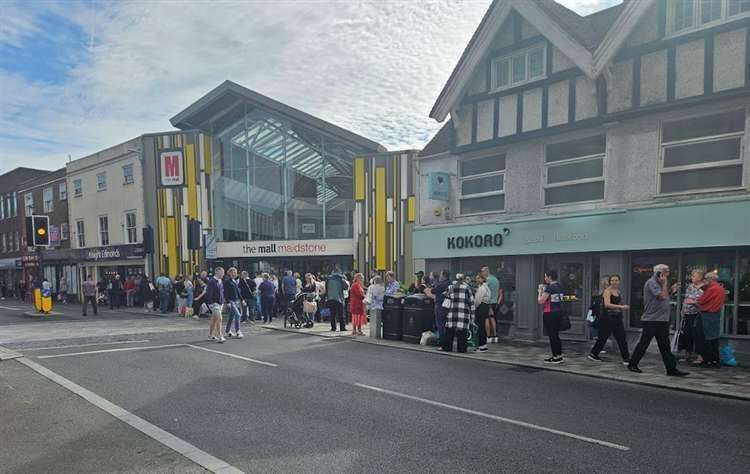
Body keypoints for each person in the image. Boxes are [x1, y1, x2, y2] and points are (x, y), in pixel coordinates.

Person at [628, 264, 688, 376]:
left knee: (665, 345)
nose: (668, 274)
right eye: (666, 272)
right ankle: (633, 364)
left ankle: (671, 369)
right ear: (659, 273)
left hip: (662, 319)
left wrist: (671, 290)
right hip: (652, 320)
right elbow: (661, 297)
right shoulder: (652, 283)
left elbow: (664, 296)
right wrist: (665, 284)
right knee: (644, 343)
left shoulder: (660, 284)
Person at [588, 275, 630, 364]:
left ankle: (626, 358)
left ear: (619, 281)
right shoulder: (607, 291)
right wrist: (621, 307)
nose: (614, 282)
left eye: (616, 280)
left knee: (621, 338)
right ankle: (593, 354)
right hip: (608, 318)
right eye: (613, 280)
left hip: (617, 318)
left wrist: (621, 306)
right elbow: (607, 305)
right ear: (610, 282)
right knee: (603, 338)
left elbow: (617, 302)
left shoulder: (617, 291)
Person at [697, 271, 725, 368]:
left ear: (710, 279)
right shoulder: (721, 289)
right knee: (714, 338)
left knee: (706, 338)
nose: (704, 280)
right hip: (716, 314)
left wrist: (700, 289)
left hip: (707, 315)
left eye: (705, 279)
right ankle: (715, 360)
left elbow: (701, 300)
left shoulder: (712, 289)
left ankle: (708, 359)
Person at [442, 273, 474, 353]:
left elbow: (446, 298)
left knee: (449, 331)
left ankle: (447, 348)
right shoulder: (467, 287)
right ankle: (462, 349)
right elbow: (472, 302)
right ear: (463, 279)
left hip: (452, 312)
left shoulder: (451, 287)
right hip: (464, 313)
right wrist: (472, 317)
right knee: (462, 332)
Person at [538, 270, 565, 364]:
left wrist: (540, 291)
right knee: (556, 335)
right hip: (558, 312)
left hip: (550, 313)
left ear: (550, 277)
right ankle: (559, 355)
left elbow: (541, 301)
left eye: (545, 277)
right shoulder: (560, 286)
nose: (545, 279)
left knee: (552, 335)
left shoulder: (550, 288)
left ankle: (556, 356)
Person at [680, 270, 704, 365]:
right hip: (687, 314)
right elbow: (686, 299)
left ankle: (699, 355)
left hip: (696, 315)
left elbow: (703, 303)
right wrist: (682, 309)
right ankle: (688, 354)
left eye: (694, 276)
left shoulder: (703, 288)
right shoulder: (690, 287)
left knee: (697, 335)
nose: (692, 278)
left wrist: (694, 303)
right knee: (687, 334)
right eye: (692, 276)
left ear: (700, 277)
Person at [425, 270, 451, 349]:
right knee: (447, 325)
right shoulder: (450, 283)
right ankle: (447, 343)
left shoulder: (441, 284)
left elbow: (433, 291)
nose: (440, 276)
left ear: (443, 276)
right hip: (448, 306)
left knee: (440, 325)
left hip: (440, 305)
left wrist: (428, 290)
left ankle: (442, 343)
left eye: (441, 274)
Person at [205, 266, 226, 342]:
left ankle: (210, 335)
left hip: (220, 302)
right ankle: (220, 335)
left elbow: (222, 291)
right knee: (219, 318)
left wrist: (223, 301)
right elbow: (209, 293)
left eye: (223, 272)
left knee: (214, 319)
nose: (223, 274)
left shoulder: (220, 281)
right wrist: (210, 303)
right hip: (214, 303)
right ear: (216, 272)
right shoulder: (212, 281)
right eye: (221, 272)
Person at [223, 267, 244, 338]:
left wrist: (242, 300)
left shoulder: (234, 281)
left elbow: (237, 292)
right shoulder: (227, 282)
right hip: (231, 301)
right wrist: (228, 302)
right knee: (238, 315)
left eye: (235, 272)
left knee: (231, 317)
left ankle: (227, 330)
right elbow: (225, 293)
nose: (235, 274)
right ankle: (238, 331)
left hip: (236, 300)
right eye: (234, 272)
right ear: (230, 273)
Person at [481, 266, 499, 343]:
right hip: (494, 302)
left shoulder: (487, 280)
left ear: (486, 271)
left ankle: (488, 336)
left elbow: (483, 291)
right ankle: (495, 336)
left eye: (483, 271)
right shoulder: (496, 279)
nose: (482, 273)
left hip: (488, 302)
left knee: (487, 319)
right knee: (493, 318)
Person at [473, 274, 491, 352]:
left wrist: (475, 306)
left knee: (480, 327)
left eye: (478, 278)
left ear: (482, 279)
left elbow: (477, 300)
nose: (476, 280)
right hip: (485, 307)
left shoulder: (482, 288)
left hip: (481, 307)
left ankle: (482, 346)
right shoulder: (486, 287)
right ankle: (481, 345)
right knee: (481, 326)